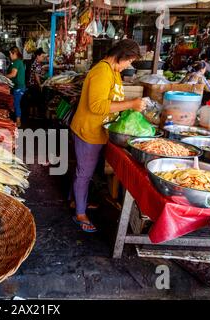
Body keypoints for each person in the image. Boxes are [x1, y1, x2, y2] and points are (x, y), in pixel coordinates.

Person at [70, 39, 146, 233]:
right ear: (120, 56)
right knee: (84, 173)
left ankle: (77, 201)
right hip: (88, 131)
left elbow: (111, 99)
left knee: (85, 171)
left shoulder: (113, 71)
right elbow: (96, 106)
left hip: (98, 130)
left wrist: (130, 104)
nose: (129, 65)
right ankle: (79, 213)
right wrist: (130, 104)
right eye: (129, 61)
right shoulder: (102, 72)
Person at [6, 46, 26, 127]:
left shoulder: (17, 62)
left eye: (10, 54)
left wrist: (3, 76)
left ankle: (18, 122)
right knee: (15, 103)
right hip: (17, 86)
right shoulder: (16, 62)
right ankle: (16, 120)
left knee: (16, 103)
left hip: (19, 87)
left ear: (14, 53)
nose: (10, 56)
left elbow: (13, 74)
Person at [28, 48, 47, 118]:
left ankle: (31, 114)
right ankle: (35, 114)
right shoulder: (37, 64)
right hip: (34, 85)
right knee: (35, 100)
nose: (43, 58)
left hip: (31, 84)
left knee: (33, 100)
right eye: (42, 56)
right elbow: (36, 75)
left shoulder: (35, 62)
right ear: (37, 56)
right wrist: (40, 85)